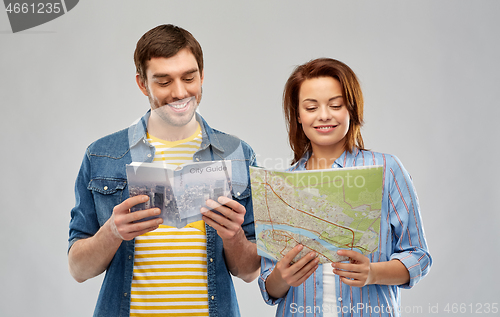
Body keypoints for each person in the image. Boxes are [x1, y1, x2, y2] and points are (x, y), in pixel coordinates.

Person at [68, 24, 260, 317]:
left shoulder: (238, 155)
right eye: (163, 81)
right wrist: (112, 232)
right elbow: (78, 269)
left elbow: (248, 272)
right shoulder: (101, 155)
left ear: (202, 74)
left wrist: (233, 236)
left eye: (189, 77)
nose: (180, 92)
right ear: (142, 84)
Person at [258, 58, 432, 317]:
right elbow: (268, 287)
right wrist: (283, 276)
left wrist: (373, 273)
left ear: (351, 108)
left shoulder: (387, 169)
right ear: (298, 115)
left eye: (335, 105)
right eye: (311, 107)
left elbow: (419, 256)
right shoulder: (281, 186)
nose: (324, 115)